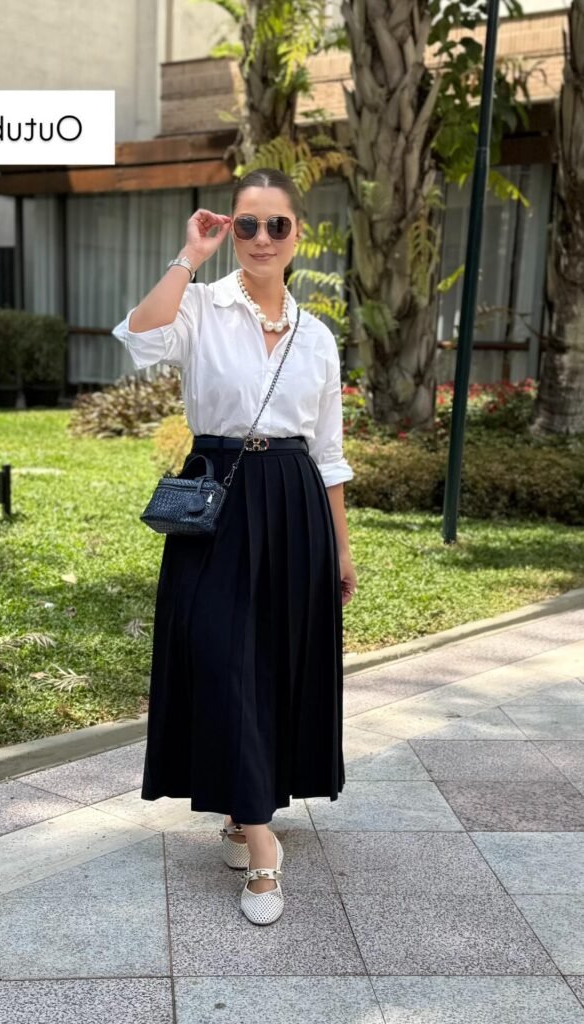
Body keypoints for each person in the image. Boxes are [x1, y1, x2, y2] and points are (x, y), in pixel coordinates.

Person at [111, 168, 358, 926]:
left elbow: (328, 452)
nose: (257, 239)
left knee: (273, 661)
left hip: (291, 500)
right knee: (217, 653)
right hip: (217, 493)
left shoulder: (316, 336)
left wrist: (341, 549)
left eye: (273, 225)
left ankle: (241, 812)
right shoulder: (203, 306)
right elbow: (141, 337)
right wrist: (188, 256)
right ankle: (263, 847)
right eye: (244, 225)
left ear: (297, 235)